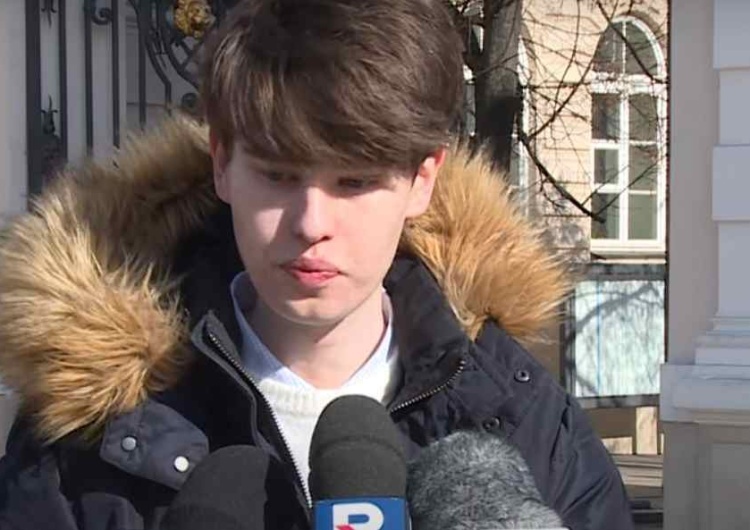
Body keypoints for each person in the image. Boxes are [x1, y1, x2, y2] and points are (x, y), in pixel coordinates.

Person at [0, 0, 634, 528]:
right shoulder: (90, 435)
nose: (310, 223)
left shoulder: (524, 418)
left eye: (355, 182)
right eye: (278, 176)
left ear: (422, 180)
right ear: (222, 163)